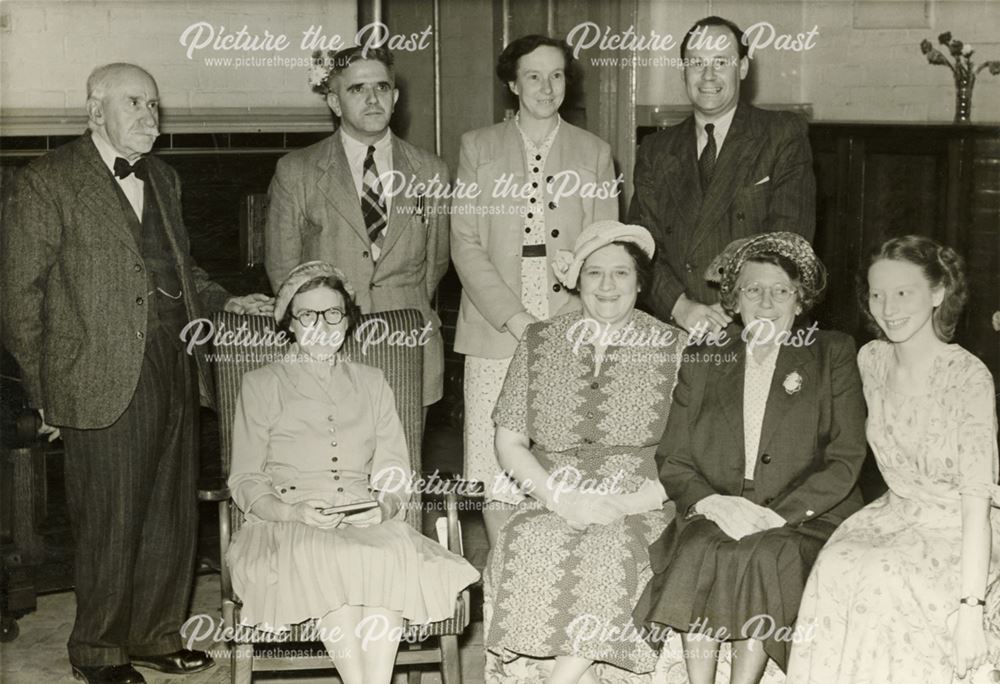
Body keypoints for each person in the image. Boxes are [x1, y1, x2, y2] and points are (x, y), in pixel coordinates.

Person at [0, 63, 272, 684]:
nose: (151, 117)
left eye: (155, 105)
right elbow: (19, 298)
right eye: (135, 104)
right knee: (110, 520)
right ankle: (97, 651)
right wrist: (47, 396)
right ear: (96, 112)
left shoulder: (165, 178)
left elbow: (182, 271)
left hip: (174, 365)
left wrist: (227, 300)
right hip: (96, 377)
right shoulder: (46, 181)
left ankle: (154, 636)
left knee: (168, 515)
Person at [226, 261, 479, 684]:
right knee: (337, 557)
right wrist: (292, 512)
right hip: (287, 522)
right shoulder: (261, 384)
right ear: (290, 323)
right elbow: (245, 478)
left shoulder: (372, 380)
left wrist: (386, 505)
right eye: (308, 314)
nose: (322, 325)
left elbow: (395, 467)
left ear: (347, 320)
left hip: (365, 518)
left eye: (333, 313)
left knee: (380, 555)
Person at [636, 232, 867, 683]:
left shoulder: (831, 352)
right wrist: (714, 504)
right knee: (700, 548)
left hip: (804, 516)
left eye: (780, 291)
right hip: (722, 505)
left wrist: (775, 517)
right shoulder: (705, 356)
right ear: (734, 300)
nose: (766, 302)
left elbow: (845, 457)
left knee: (763, 555)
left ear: (800, 301)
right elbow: (674, 457)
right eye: (752, 290)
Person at [787, 236, 1000, 683]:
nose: (888, 307)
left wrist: (970, 611)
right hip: (896, 513)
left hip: (961, 525)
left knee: (885, 574)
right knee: (838, 563)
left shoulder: (968, 377)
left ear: (938, 293)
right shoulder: (872, 360)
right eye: (877, 293)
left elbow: (977, 500)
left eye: (903, 292)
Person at [484, 221, 684, 684]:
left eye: (621, 273)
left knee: (610, 549)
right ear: (576, 280)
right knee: (530, 541)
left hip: (640, 499)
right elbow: (509, 441)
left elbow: (692, 454)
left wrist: (623, 503)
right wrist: (560, 498)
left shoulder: (675, 347)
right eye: (595, 273)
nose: (607, 286)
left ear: (639, 281)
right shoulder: (539, 341)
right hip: (554, 492)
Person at [452, 34, 619, 545]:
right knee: (492, 460)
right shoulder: (477, 147)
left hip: (570, 321)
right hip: (493, 319)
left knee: (560, 459)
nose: (547, 87)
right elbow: (464, 244)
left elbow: (606, 247)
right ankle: (507, 586)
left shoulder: (595, 152)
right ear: (512, 82)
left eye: (557, 75)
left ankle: (553, 581)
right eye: (533, 75)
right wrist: (514, 317)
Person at [265, 46, 451, 409]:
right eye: (356, 89)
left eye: (381, 88)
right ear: (334, 102)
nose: (371, 99)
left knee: (403, 460)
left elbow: (435, 264)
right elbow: (283, 272)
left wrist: (401, 300)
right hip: (328, 346)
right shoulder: (297, 170)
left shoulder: (431, 171)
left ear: (395, 97)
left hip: (409, 342)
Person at [628, 16, 816, 336]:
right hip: (676, 326)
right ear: (683, 71)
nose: (708, 75)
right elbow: (641, 246)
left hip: (753, 324)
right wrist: (680, 307)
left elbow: (788, 243)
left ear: (742, 68)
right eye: (697, 63)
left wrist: (728, 310)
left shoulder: (781, 134)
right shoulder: (656, 149)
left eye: (721, 62)